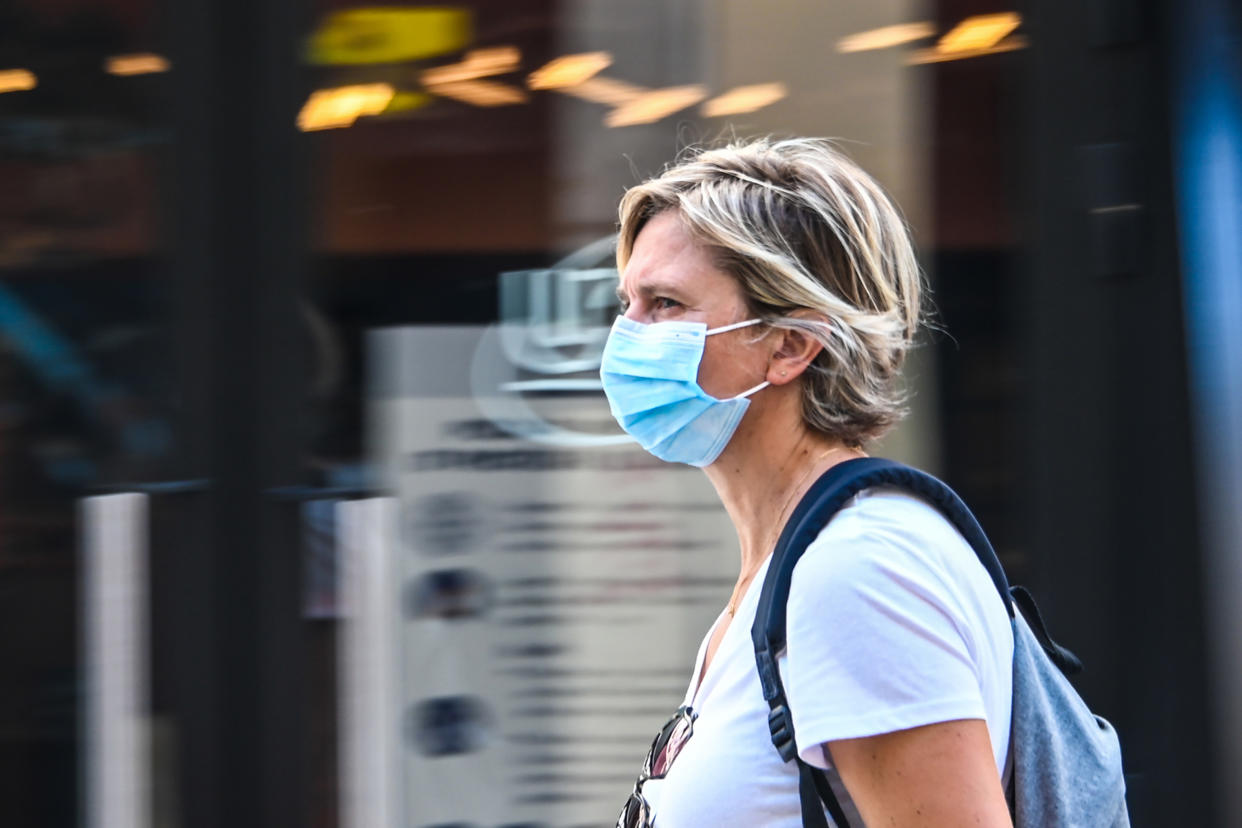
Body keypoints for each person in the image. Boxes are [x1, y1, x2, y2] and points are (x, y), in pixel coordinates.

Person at [600, 138, 1015, 827]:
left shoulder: (859, 572)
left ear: (791, 344)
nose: (627, 335)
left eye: (666, 304)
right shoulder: (784, 576)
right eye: (628, 303)